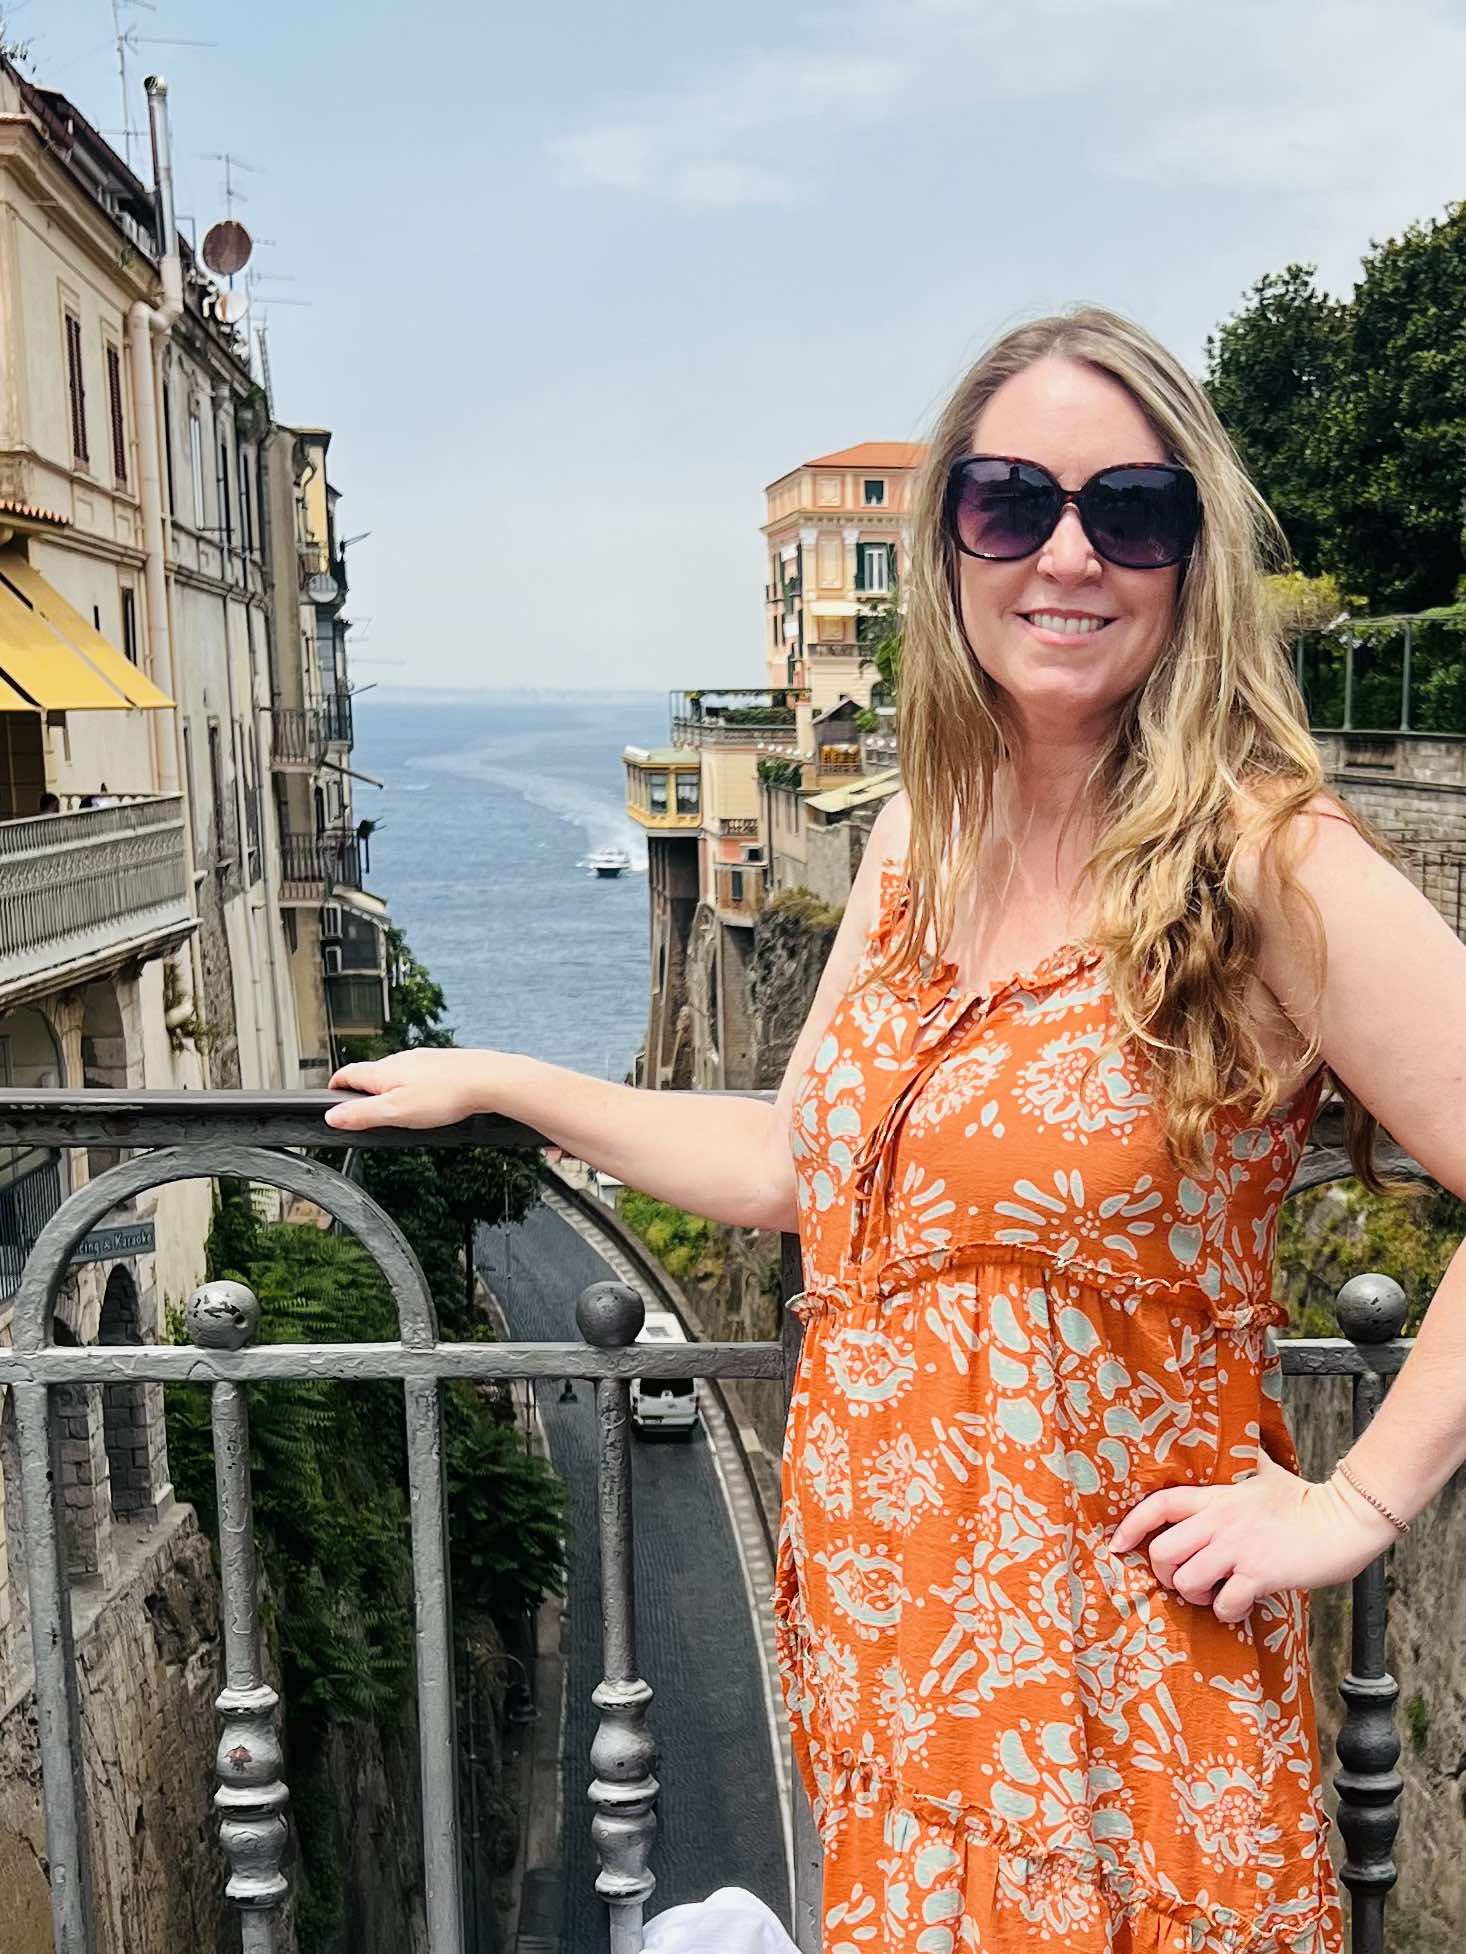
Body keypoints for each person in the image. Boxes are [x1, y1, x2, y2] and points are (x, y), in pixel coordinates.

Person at [324, 305, 1466, 1953]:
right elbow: (805, 1165)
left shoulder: (1258, 855)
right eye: (1012, 502)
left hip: (1115, 1692)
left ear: (1189, 556)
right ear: (948, 543)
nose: (1068, 555)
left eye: (1127, 511)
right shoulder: (928, 829)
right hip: (894, 1659)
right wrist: (508, 1081)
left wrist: (1355, 1505)